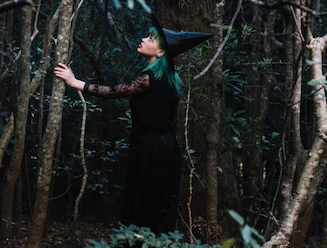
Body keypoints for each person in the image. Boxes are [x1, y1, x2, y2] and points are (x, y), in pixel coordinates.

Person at [54, 14, 213, 234]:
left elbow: (113, 92)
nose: (143, 39)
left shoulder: (150, 78)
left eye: (151, 38)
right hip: (162, 147)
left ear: (160, 52)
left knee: (146, 203)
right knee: (154, 203)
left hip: (152, 150)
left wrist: (74, 82)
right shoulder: (169, 76)